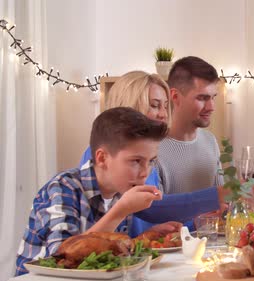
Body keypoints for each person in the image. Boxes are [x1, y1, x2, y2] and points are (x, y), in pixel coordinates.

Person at [16, 107, 176, 275]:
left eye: (150, 161)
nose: (145, 172)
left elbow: (107, 251)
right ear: (102, 158)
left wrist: (147, 236)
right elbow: (61, 258)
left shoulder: (120, 190)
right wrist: (121, 211)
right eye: (136, 161)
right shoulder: (63, 188)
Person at [78, 71, 221, 236]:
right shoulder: (106, 154)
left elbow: (141, 214)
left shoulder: (147, 155)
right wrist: (215, 197)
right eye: (154, 105)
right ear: (128, 105)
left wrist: (196, 222)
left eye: (165, 106)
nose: (164, 114)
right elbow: (150, 207)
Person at [156, 56, 224, 195]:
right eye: (202, 98)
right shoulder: (153, 150)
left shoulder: (210, 141)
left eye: (213, 97)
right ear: (175, 97)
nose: (211, 107)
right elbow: (155, 213)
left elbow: (222, 202)